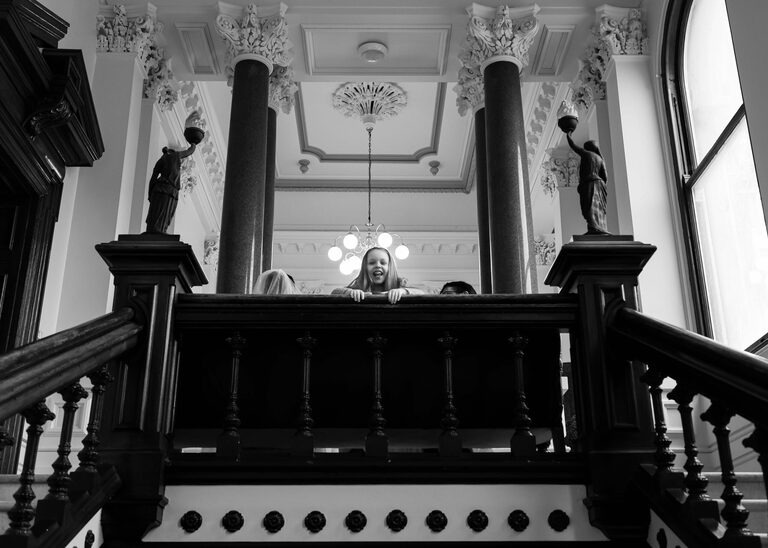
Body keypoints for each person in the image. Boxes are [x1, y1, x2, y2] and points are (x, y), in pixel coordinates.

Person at [332, 247, 422, 304]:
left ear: (390, 267)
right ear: (365, 268)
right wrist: (350, 292)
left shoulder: (399, 284)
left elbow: (421, 293)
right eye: (371, 263)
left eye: (383, 263)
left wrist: (403, 291)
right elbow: (335, 292)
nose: (378, 265)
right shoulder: (359, 286)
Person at [145, 143, 196, 234]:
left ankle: (156, 230)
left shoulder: (161, 160)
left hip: (160, 189)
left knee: (158, 212)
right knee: (166, 212)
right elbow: (189, 152)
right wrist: (194, 144)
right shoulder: (175, 156)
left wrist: (150, 194)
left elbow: (153, 178)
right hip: (169, 191)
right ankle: (160, 230)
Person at [566, 132, 610, 235]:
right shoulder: (600, 159)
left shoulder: (587, 154)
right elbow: (605, 177)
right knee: (597, 207)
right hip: (599, 184)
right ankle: (597, 227)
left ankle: (594, 227)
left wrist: (568, 134)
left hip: (590, 183)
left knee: (588, 207)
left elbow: (573, 146)